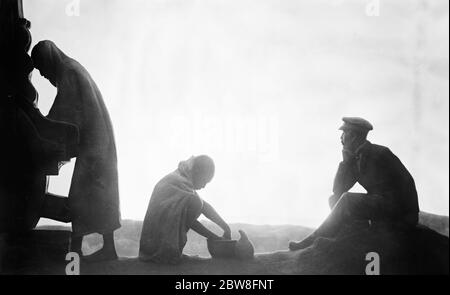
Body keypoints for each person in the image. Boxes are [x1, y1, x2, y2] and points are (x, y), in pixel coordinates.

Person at [31, 41, 121, 262]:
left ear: (48, 59)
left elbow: (65, 110)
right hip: (99, 144)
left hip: (94, 147)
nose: (43, 75)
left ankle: (78, 250)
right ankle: (106, 248)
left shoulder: (69, 71)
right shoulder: (72, 68)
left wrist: (41, 129)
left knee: (80, 197)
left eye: (42, 69)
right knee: (100, 195)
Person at [289, 117, 420, 251]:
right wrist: (345, 162)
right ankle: (353, 235)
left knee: (347, 200)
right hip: (381, 206)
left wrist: (408, 219)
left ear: (353, 136)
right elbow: (338, 190)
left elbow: (407, 183)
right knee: (334, 199)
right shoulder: (354, 159)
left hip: (399, 209)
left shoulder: (381, 153)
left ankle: (313, 240)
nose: (341, 138)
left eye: (344, 134)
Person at [139, 155, 231, 264]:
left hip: (153, 244)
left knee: (197, 201)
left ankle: (171, 251)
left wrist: (225, 226)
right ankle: (167, 253)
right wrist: (215, 238)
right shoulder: (178, 181)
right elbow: (188, 217)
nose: (204, 186)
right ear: (197, 172)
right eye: (204, 181)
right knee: (196, 202)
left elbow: (204, 206)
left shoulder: (183, 179)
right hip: (153, 248)